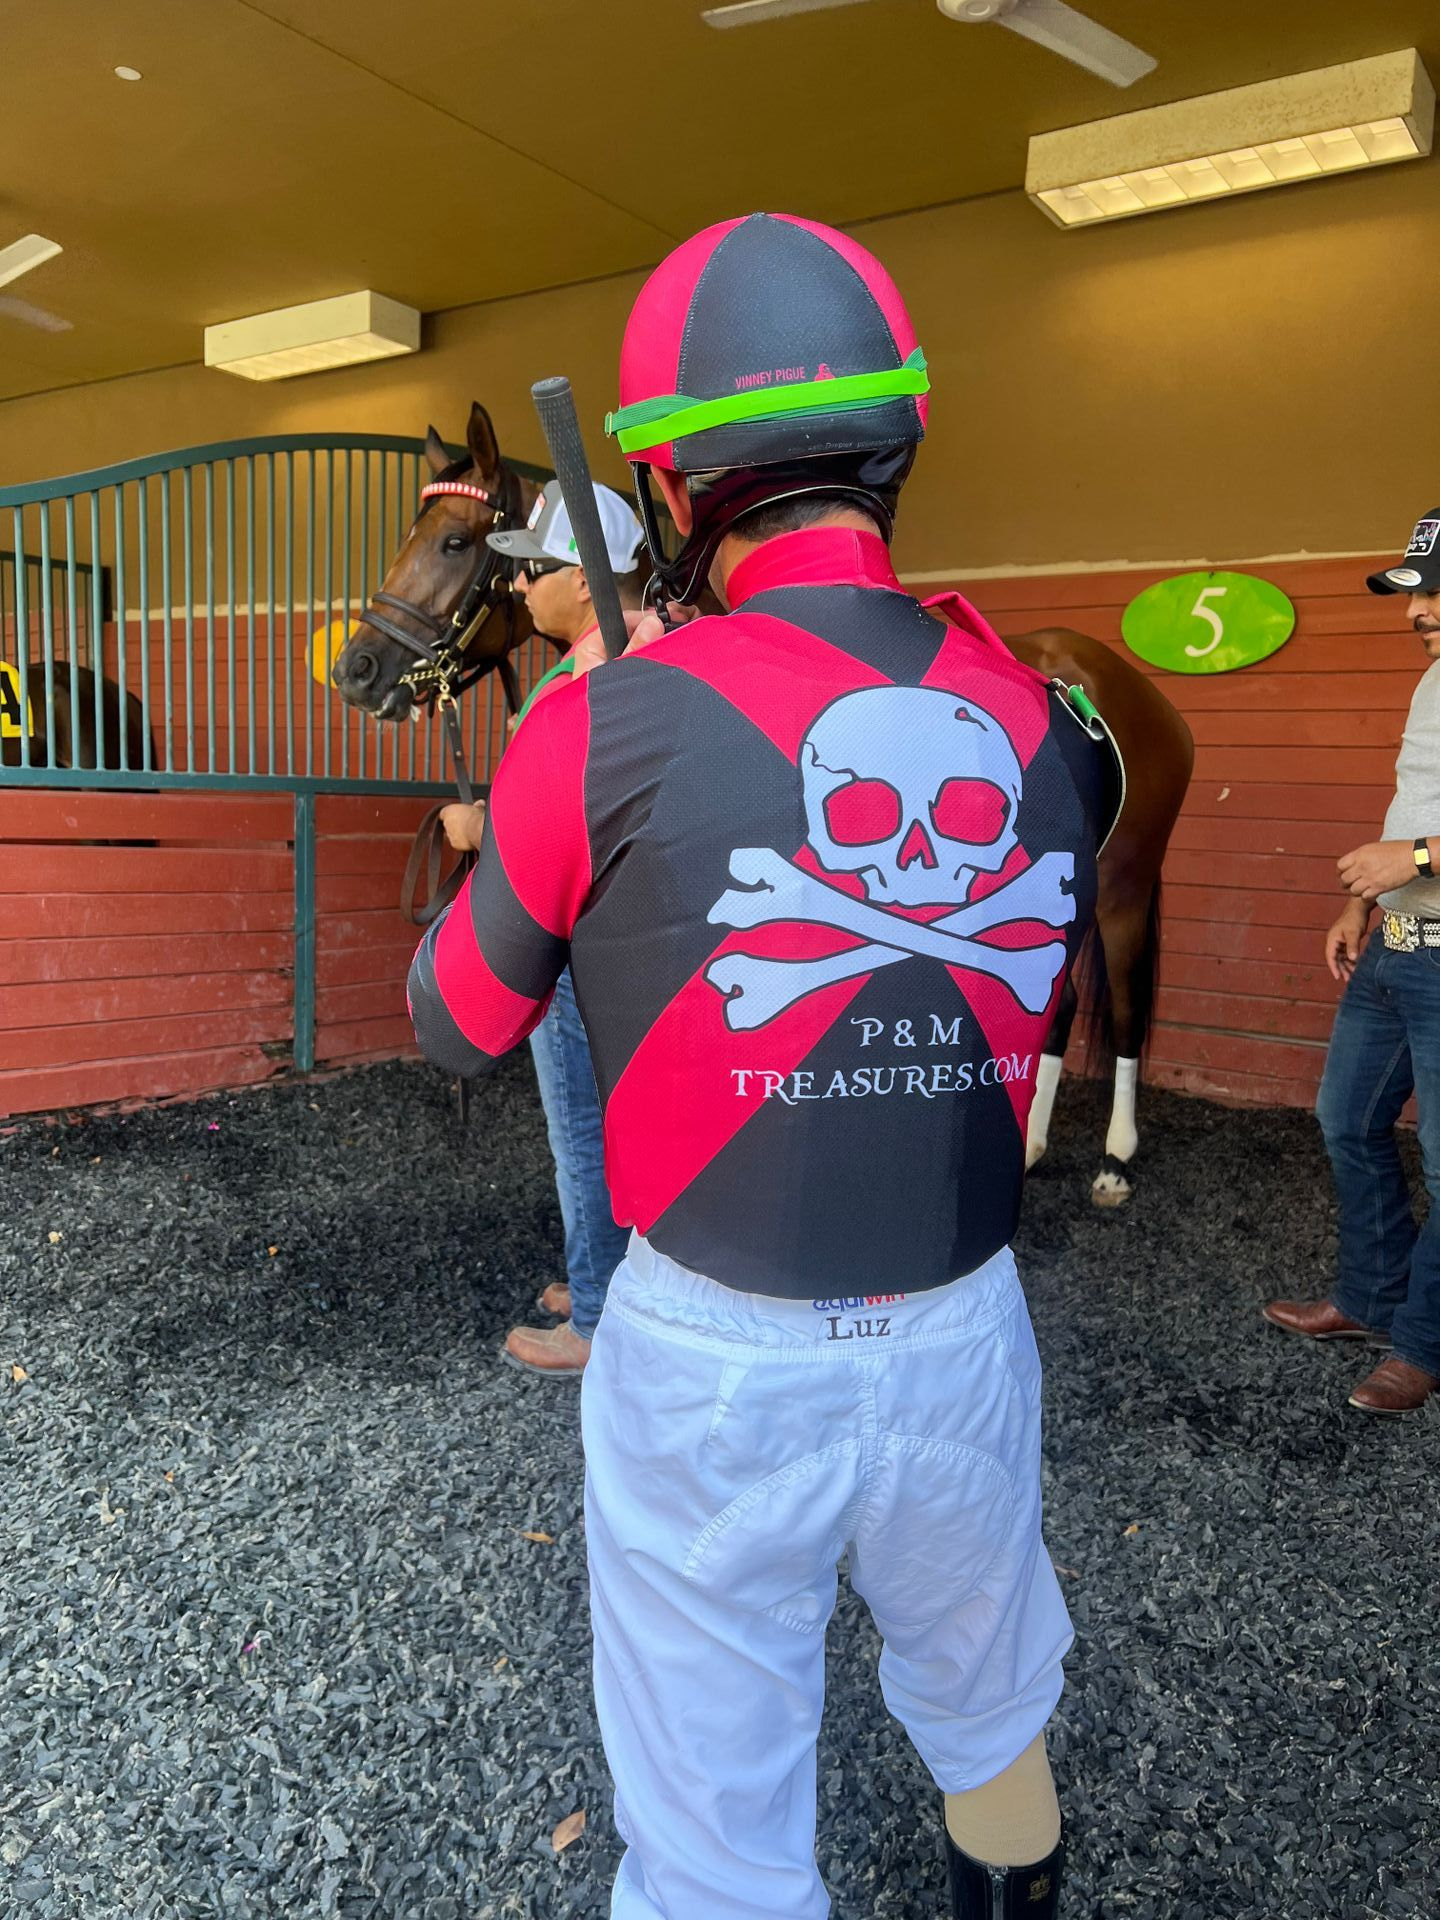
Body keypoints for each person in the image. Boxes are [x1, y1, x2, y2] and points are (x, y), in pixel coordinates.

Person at [408, 213, 1118, 1918]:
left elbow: (455, 1021)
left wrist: (518, 824)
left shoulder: (604, 721)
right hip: (964, 1333)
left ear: (669, 485)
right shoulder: (1053, 726)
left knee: (712, 1805)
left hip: (713, 1360)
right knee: (988, 1689)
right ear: (903, 438)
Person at [440, 479, 644, 1377]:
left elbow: (556, 823)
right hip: (642, 944)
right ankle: (615, 1273)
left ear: (581, 573)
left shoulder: (585, 676)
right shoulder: (666, 648)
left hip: (577, 945)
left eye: (532, 574)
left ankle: (598, 1316)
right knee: (631, 1117)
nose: (518, 592)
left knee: (581, 1127)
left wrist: (479, 828)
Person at [1265, 510, 1440, 1416]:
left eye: (1434, 593)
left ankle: (1423, 1345)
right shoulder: (1432, 684)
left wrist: (1411, 862)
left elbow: (1418, 841)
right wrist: (1361, 899)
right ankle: (1370, 1300)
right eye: (1416, 595)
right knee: (1346, 1122)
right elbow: (1412, 804)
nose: (1420, 611)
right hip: (1397, 948)